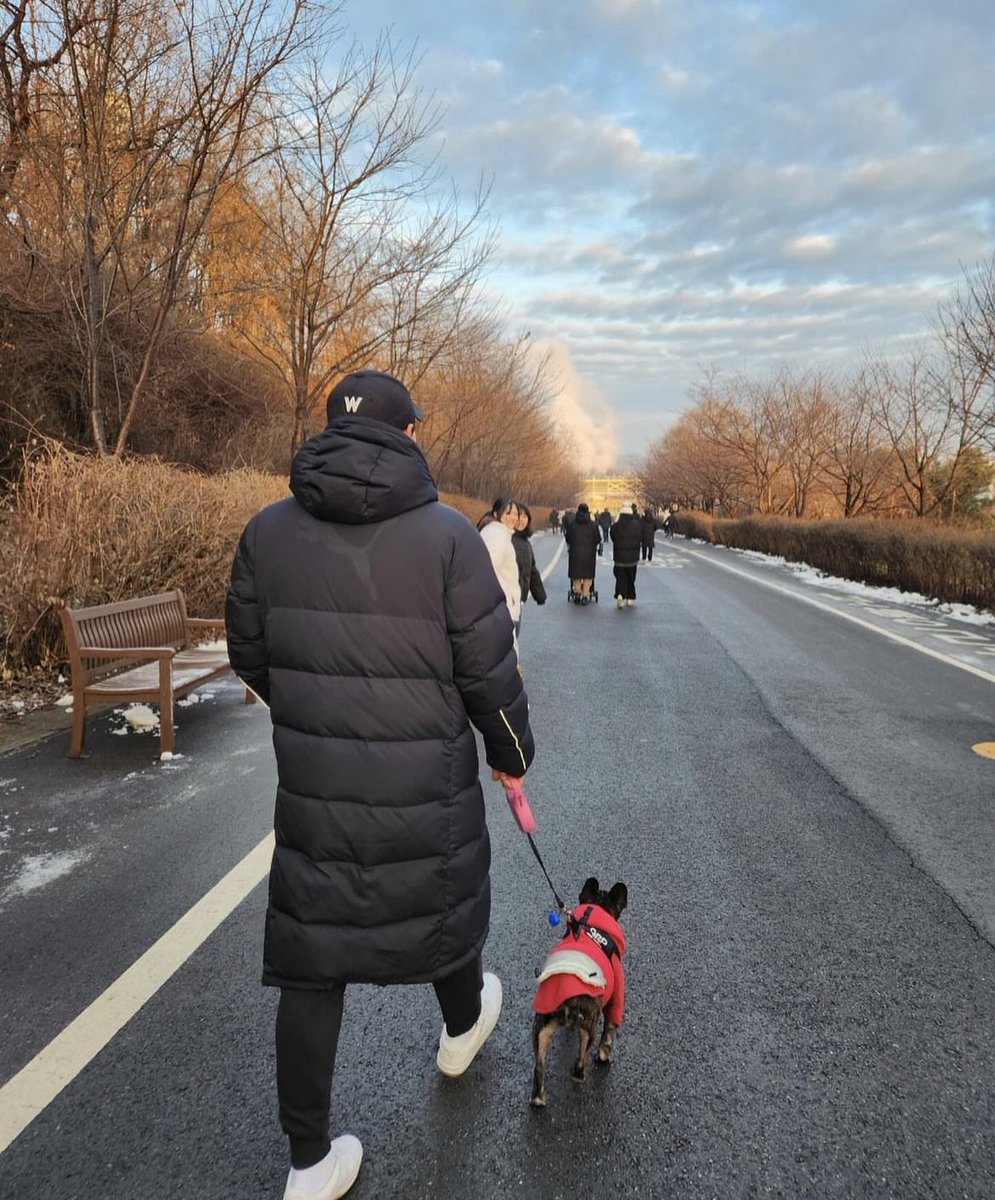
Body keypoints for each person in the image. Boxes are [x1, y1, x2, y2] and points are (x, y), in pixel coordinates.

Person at [226, 369, 535, 1200]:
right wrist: (511, 754)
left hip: (316, 781)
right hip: (424, 774)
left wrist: (307, 701)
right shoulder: (447, 537)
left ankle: (307, 1165)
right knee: (436, 898)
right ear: (407, 434)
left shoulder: (267, 530)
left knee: (312, 957)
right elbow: (487, 671)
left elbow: (247, 652)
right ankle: (463, 1024)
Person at [479, 498, 523, 652]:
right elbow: (488, 570)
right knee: (507, 654)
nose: (513, 517)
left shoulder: (496, 532)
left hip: (500, 605)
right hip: (501, 606)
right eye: (508, 513)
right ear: (496, 514)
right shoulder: (497, 536)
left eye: (516, 513)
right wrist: (506, 598)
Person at [512, 503, 547, 637]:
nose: (521, 520)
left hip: (517, 599)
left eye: (525, 516)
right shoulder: (508, 539)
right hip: (508, 599)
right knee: (510, 637)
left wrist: (540, 595)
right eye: (518, 516)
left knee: (514, 636)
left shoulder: (524, 542)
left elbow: (532, 569)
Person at [564, 501, 601, 603]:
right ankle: (585, 594)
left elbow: (568, 538)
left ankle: (577, 592)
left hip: (575, 553)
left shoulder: (572, 525)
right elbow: (598, 539)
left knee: (576, 575)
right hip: (589, 554)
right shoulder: (593, 525)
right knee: (588, 575)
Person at [610, 503, 642, 609]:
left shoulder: (616, 526)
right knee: (631, 578)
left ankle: (620, 595)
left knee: (620, 578)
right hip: (633, 558)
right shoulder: (637, 525)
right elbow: (640, 538)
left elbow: (613, 537)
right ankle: (630, 597)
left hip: (619, 558)